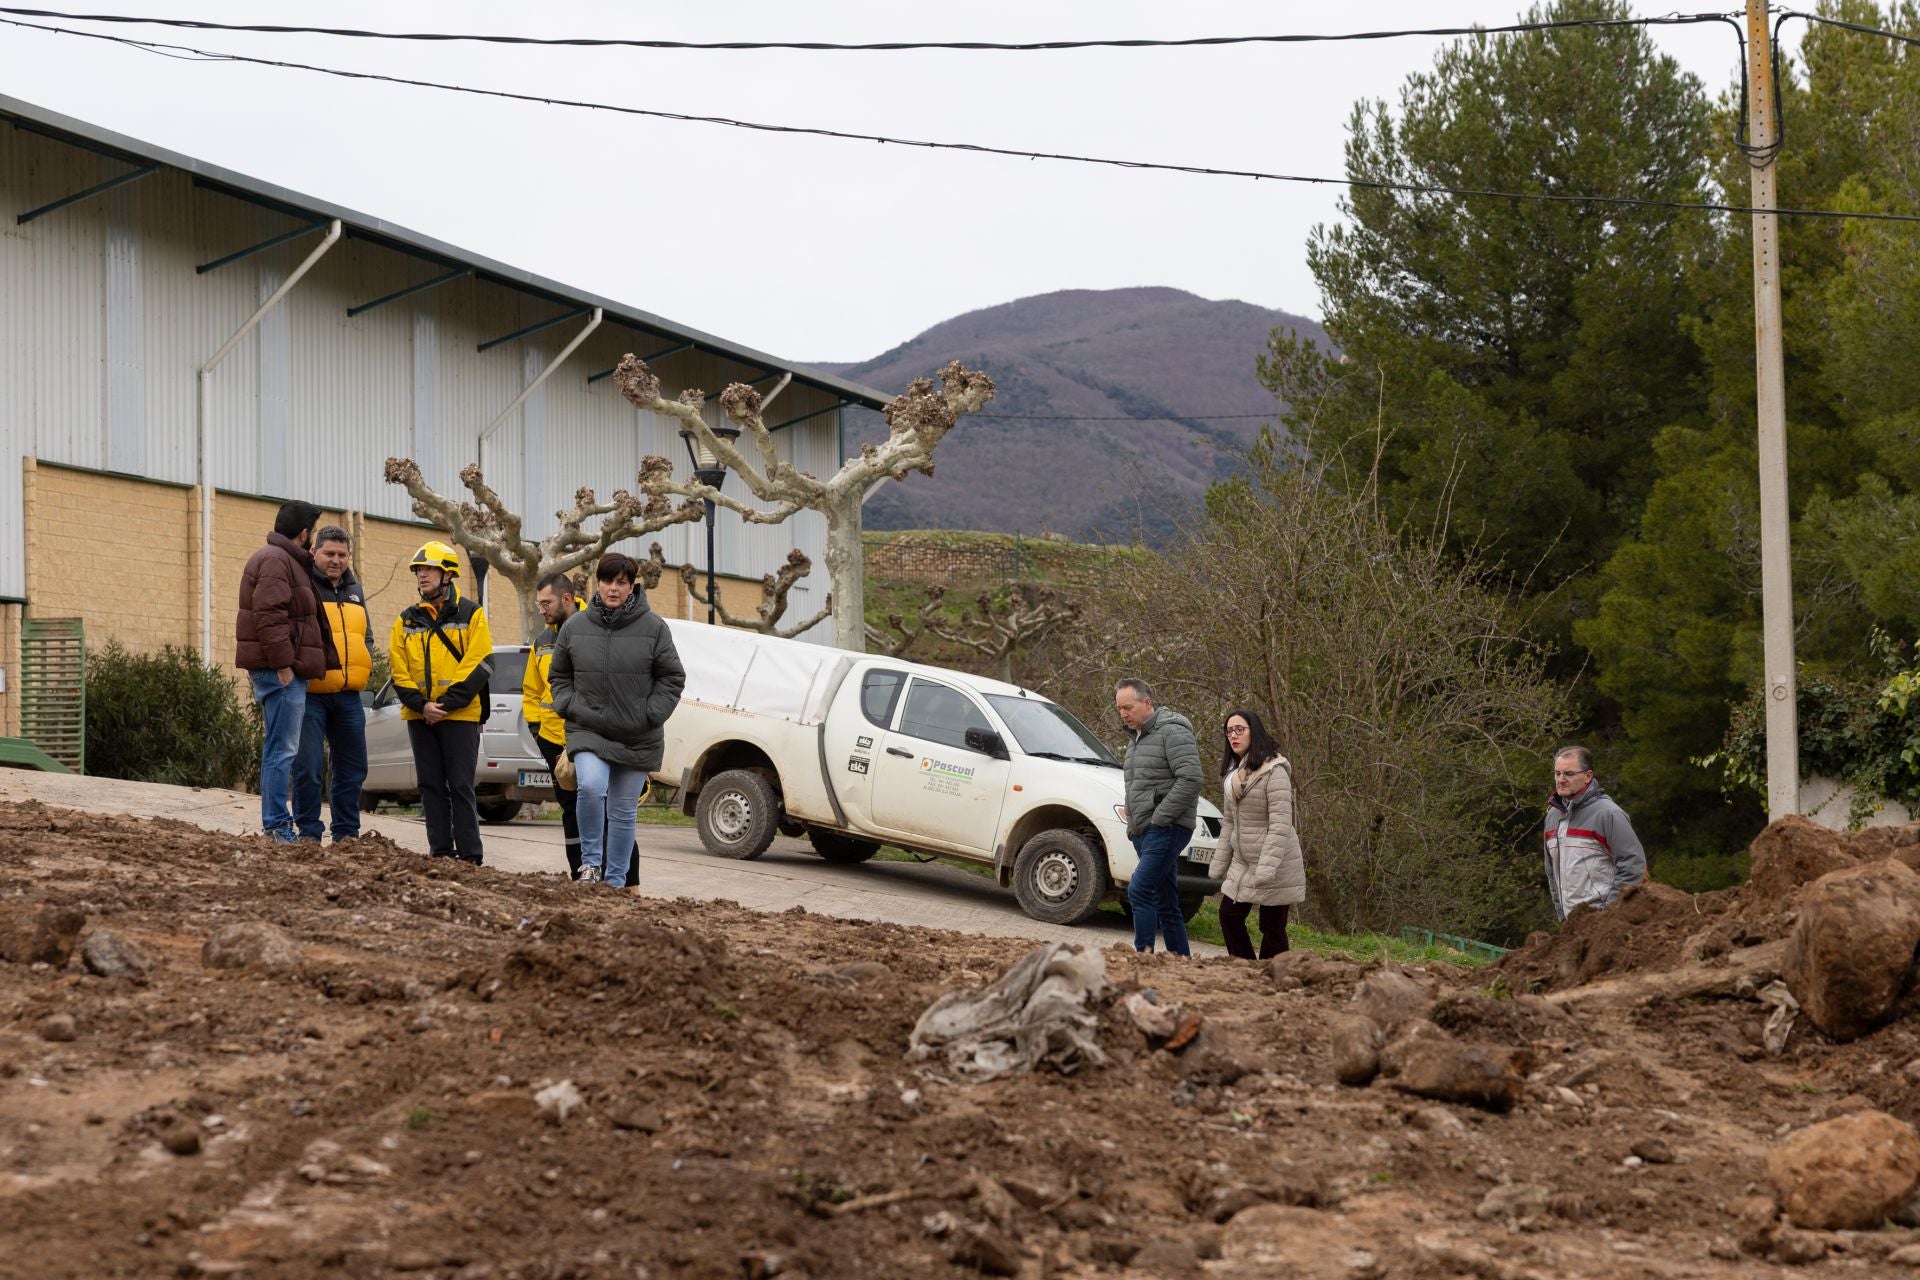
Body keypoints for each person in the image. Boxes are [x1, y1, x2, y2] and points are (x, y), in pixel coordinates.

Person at [549, 552, 685, 888]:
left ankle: (615, 882)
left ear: (631, 586)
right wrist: (569, 704)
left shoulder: (654, 628)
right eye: (607, 580)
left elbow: (672, 677)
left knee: (623, 812)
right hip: (589, 729)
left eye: (621, 582)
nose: (613, 588)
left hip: (637, 735)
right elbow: (559, 676)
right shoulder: (574, 627)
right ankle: (590, 865)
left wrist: (650, 714)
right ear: (598, 583)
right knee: (591, 787)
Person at [390, 540, 494, 865]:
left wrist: (444, 706)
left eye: (429, 569)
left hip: (460, 715)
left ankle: (470, 856)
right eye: (419, 570)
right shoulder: (405, 620)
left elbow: (481, 663)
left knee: (461, 785)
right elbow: (398, 670)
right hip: (419, 715)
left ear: (448, 574)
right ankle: (440, 852)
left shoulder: (472, 614)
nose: (422, 575)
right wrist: (421, 706)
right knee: (430, 785)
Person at [235, 500, 327, 844]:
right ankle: (276, 826)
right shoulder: (277, 560)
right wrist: (284, 665)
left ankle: (276, 824)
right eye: (312, 531)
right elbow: (269, 615)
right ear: (303, 533)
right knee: (282, 750)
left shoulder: (282, 559)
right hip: (280, 672)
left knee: (278, 747)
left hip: (280, 669)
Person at [293, 525, 373, 845]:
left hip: (349, 696)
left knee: (353, 769)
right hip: (310, 694)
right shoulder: (302, 586)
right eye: (329, 553)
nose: (336, 560)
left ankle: (346, 833)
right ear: (314, 553)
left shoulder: (356, 591)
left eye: (342, 554)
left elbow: (366, 636)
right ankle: (309, 832)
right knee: (308, 768)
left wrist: (365, 660)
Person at [1208, 709, 1305, 960]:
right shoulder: (1234, 776)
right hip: (1243, 861)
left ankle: (1275, 975)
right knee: (1229, 915)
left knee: (1272, 928)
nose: (1233, 735)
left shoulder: (1275, 771)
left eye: (1240, 729)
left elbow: (1280, 824)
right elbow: (1229, 823)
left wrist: (1266, 868)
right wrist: (1219, 863)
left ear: (1254, 731)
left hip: (1277, 862)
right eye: (1229, 731)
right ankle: (1245, 969)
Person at [1115, 677, 1201, 956]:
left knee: (1139, 889)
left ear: (1147, 702)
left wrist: (1160, 818)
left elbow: (1191, 779)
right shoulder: (1135, 740)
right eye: (1119, 709)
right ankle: (1181, 959)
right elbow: (1137, 785)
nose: (1123, 714)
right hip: (1144, 831)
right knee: (1166, 900)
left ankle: (1144, 955)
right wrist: (1134, 821)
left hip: (1167, 828)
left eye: (1128, 707)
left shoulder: (1172, 732)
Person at [523, 572, 585, 878]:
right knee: (570, 807)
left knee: (597, 806)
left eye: (546, 603)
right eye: (539, 604)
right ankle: (579, 873)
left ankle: (605, 873)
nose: (542, 610)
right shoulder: (542, 641)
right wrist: (537, 732)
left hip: (588, 738)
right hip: (553, 741)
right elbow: (532, 691)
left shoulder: (594, 628)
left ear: (566, 598)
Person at [1544, 745, 1647, 921]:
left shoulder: (1608, 814)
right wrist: (1563, 918)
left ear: (1588, 776)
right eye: (1557, 773)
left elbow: (1633, 865)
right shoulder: (1552, 816)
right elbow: (1551, 873)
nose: (1561, 779)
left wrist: (1607, 916)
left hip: (1605, 925)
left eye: (1568, 774)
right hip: (1573, 926)